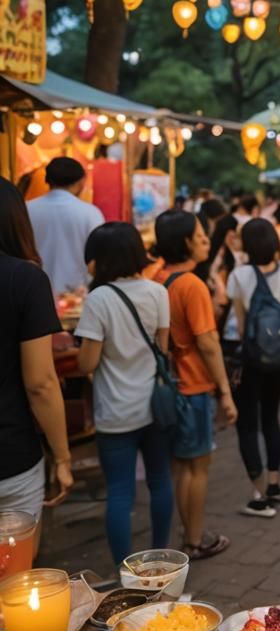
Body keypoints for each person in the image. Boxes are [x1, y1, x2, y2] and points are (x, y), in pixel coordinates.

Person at [75, 223, 173, 565]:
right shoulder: (157, 292)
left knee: (120, 492)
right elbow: (164, 349)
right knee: (160, 480)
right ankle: (162, 560)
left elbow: (87, 361)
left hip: (115, 411)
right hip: (156, 406)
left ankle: (124, 571)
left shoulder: (99, 299)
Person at [154, 210, 238, 560]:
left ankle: (187, 533)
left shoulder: (157, 277)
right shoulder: (192, 285)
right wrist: (225, 390)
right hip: (193, 384)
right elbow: (207, 342)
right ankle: (193, 540)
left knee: (180, 466)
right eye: (201, 234)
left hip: (169, 384)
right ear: (187, 241)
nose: (206, 240)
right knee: (197, 467)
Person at [0, 178, 72, 528]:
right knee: (14, 577)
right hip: (9, 454)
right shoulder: (24, 279)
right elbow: (40, 383)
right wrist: (62, 456)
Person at [227, 219, 280, 518]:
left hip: (252, 357)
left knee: (247, 423)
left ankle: (258, 495)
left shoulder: (239, 275)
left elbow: (242, 325)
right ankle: (274, 484)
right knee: (271, 416)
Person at [26, 157, 105, 294]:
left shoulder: (26, 210)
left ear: (47, 181)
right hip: (77, 294)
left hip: (33, 291)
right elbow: (101, 256)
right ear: (81, 182)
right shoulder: (91, 213)